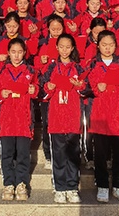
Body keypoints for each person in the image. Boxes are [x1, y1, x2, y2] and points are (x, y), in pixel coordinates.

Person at [86, 30, 119, 203]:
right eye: (104, 45)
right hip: (100, 114)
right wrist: (96, 87)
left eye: (111, 45)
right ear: (98, 45)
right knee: (100, 153)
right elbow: (84, 88)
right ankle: (102, 185)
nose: (107, 48)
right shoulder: (92, 64)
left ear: (116, 46)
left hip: (118, 113)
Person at [0, 38, 38, 201]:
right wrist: (0, 94)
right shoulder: (0, 71)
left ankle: (21, 183)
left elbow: (39, 89)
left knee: (23, 154)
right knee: (7, 154)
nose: (16, 56)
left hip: (24, 119)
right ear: (8, 53)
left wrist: (34, 89)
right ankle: (8, 183)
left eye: (20, 52)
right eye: (13, 52)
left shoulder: (31, 71)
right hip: (6, 120)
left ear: (24, 53)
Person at [40, 33, 85, 204]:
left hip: (73, 116)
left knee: (73, 154)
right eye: (61, 47)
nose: (65, 50)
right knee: (58, 154)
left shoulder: (78, 68)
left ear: (72, 48)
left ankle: (72, 187)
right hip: (56, 117)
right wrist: (49, 87)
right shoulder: (51, 68)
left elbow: (87, 90)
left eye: (68, 47)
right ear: (56, 47)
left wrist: (80, 86)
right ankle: (59, 187)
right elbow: (42, 93)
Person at [33, 14, 65, 169]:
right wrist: (41, 61)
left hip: (64, 91)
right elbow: (34, 67)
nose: (56, 31)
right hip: (47, 91)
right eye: (53, 29)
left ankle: (64, 155)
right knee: (47, 124)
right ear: (48, 29)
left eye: (59, 29)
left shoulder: (67, 44)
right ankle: (48, 155)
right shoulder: (42, 44)